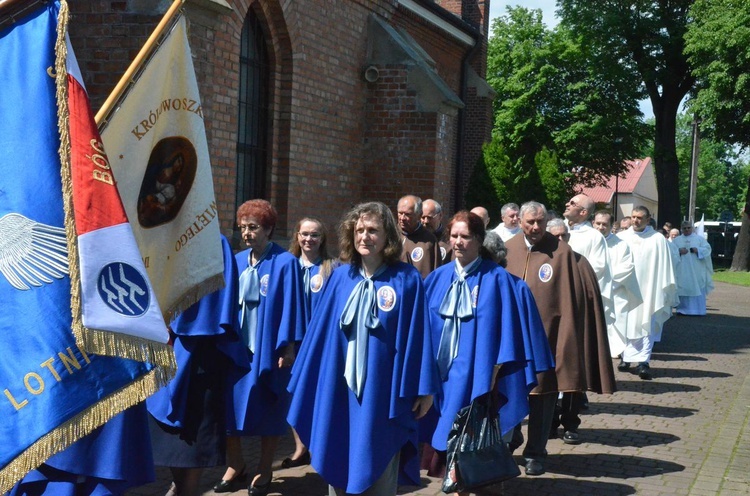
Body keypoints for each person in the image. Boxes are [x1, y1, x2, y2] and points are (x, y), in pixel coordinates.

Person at [287, 201, 438, 496]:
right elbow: (320, 339)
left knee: (378, 469)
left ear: (388, 237)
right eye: (359, 230)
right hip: (340, 392)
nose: (364, 237)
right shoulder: (340, 278)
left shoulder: (406, 280)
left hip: (383, 394)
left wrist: (425, 389)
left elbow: (418, 337)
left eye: (372, 230)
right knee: (338, 463)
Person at [419, 211, 554, 482]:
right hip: (440, 379)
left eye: (465, 237)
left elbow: (510, 334)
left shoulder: (499, 280)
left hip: (480, 379)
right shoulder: (436, 279)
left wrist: (495, 376)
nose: (458, 242)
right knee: (442, 443)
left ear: (479, 240)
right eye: (454, 236)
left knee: (473, 458)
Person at [505, 202, 615, 476]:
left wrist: (566, 341)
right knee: (509, 394)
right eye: (530, 221)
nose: (535, 227)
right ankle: (508, 444)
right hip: (513, 341)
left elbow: (570, 302)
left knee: (543, 397)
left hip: (547, 340)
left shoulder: (562, 253)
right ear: (520, 221)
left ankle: (535, 453)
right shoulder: (507, 250)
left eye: (540, 221)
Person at [216, 199, 305, 496]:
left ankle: (264, 468)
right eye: (242, 228)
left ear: (268, 229)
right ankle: (236, 463)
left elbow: (292, 306)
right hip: (237, 349)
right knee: (228, 405)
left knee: (268, 403)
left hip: (268, 348)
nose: (246, 233)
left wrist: (288, 347)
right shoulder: (237, 261)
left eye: (253, 227)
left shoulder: (285, 263)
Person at [147, 234, 247, 496]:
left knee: (191, 450)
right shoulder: (156, 238)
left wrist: (176, 317)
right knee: (167, 448)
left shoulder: (214, 241)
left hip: (200, 356)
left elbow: (215, 304)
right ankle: (177, 486)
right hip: (160, 356)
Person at [545, 219, 616, 445]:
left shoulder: (580, 262)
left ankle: (570, 423)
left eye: (563, 236)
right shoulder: (540, 260)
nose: (560, 240)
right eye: (555, 236)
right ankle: (549, 421)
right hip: (546, 331)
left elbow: (590, 298)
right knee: (546, 380)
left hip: (574, 331)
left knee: (572, 379)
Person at [284, 217, 338, 468]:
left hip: (318, 344)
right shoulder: (287, 265)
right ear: (296, 236)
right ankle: (300, 447)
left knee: (317, 393)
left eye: (314, 235)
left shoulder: (331, 268)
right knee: (292, 393)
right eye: (304, 234)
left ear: (322, 239)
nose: (308, 239)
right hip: (292, 343)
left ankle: (317, 444)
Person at [616, 206, 678, 380]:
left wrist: (662, 288)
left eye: (640, 218)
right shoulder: (621, 237)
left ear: (648, 219)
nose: (636, 220)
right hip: (627, 289)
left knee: (647, 323)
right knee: (625, 322)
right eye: (633, 217)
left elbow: (665, 265)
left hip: (649, 289)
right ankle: (625, 357)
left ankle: (643, 361)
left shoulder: (658, 239)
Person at [592, 211, 643, 358]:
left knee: (615, 323)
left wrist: (606, 282)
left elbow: (626, 268)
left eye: (605, 224)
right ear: (593, 223)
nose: (601, 227)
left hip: (614, 292)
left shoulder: (621, 245)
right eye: (598, 223)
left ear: (612, 225)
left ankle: (613, 350)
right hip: (590, 290)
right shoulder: (588, 241)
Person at [672, 221, 714, 316]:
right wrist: (679, 251)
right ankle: (682, 309)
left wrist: (698, 250)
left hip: (696, 269)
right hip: (682, 269)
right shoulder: (677, 240)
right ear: (681, 229)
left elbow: (707, 249)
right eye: (684, 228)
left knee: (697, 285)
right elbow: (671, 251)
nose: (686, 230)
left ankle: (698, 310)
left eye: (688, 228)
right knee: (683, 285)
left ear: (692, 228)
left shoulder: (699, 239)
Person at [397, 195, 441, 278]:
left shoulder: (429, 241)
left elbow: (436, 276)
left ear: (419, 215)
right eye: (400, 213)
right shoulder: (391, 236)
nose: (402, 218)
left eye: (407, 214)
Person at [422, 199, 451, 263]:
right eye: (423, 217)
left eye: (430, 217)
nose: (426, 221)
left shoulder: (448, 240)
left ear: (440, 216)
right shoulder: (415, 239)